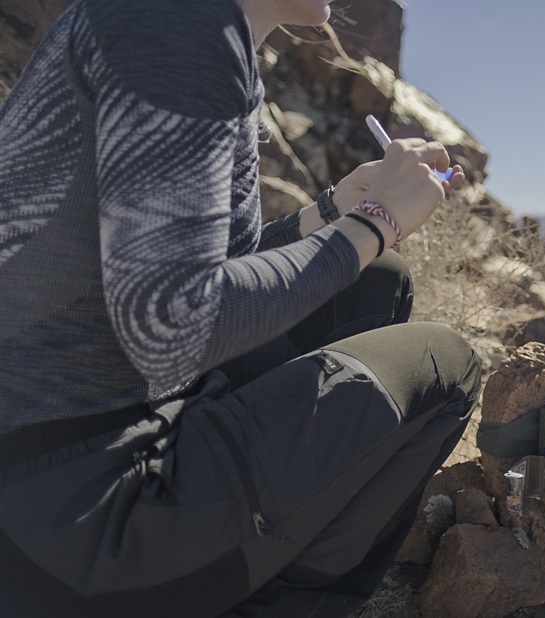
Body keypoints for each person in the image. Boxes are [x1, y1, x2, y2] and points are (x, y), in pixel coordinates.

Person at [0, 0, 481, 616]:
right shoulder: (181, 27)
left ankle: (251, 539)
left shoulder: (192, 26)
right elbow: (172, 324)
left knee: (374, 283)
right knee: (445, 366)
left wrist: (332, 214)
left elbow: (196, 266)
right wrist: (373, 223)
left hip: (73, 446)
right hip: (74, 521)